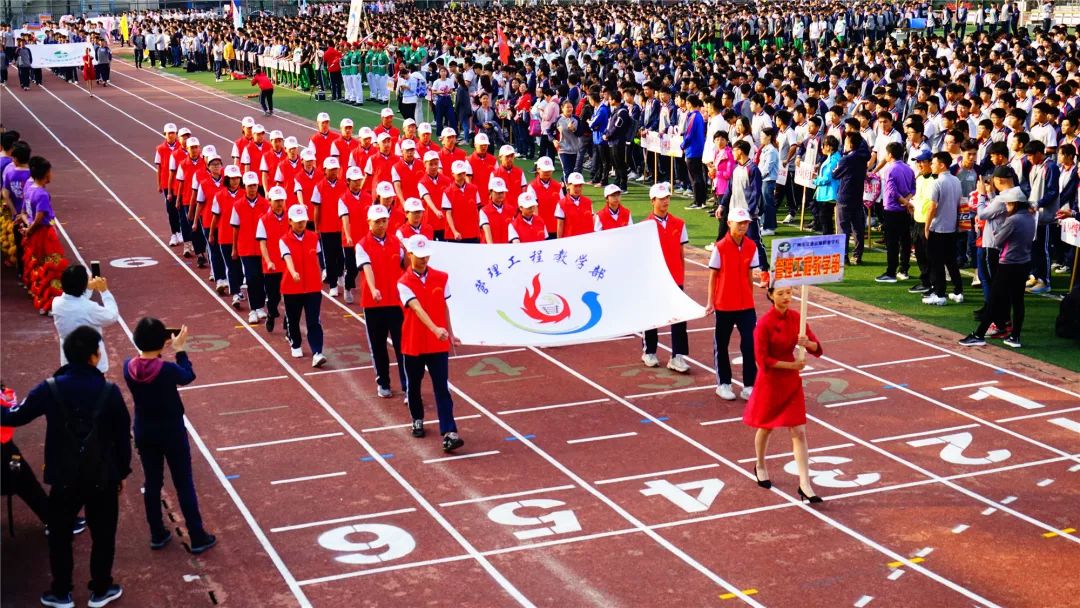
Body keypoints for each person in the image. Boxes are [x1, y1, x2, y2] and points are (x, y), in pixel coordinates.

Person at [1, 326, 130, 608]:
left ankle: (61, 591)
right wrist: (121, 472)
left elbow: (15, 416)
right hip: (102, 475)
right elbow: (123, 435)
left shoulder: (49, 389)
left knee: (59, 535)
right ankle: (101, 588)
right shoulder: (109, 391)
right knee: (103, 535)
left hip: (63, 475)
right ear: (94, 357)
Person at [123, 319, 216, 554]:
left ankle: (157, 532)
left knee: (152, 482)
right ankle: (196, 535)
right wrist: (180, 349)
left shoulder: (128, 367)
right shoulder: (166, 370)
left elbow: (145, 360)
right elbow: (188, 375)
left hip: (144, 429)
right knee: (183, 482)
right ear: (162, 343)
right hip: (171, 430)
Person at [742, 285, 824, 503]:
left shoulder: (797, 317)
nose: (786, 297)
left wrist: (808, 343)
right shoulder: (764, 325)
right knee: (766, 427)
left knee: (799, 431)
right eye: (780, 294)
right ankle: (760, 464)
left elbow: (818, 349)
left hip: (791, 383)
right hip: (770, 382)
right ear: (770, 295)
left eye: (789, 292)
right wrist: (792, 366)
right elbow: (762, 361)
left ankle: (805, 483)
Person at [398, 234, 464, 452]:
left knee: (441, 387)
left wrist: (451, 333)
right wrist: (435, 328)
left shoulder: (441, 277)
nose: (424, 259)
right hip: (414, 342)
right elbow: (416, 308)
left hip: (438, 344)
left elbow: (444, 307)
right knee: (414, 386)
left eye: (426, 255)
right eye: (419, 256)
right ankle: (417, 418)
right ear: (410, 255)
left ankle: (449, 431)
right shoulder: (404, 283)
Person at [960, 167, 1033, 348]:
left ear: (1015, 204)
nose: (1006, 207)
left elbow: (999, 239)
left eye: (1008, 204)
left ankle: (979, 334)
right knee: (1018, 301)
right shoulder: (1029, 218)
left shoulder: (1013, 220)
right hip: (1024, 262)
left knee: (994, 299)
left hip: (1008, 262)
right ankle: (1015, 336)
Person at [705, 207, 759, 401]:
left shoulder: (752, 246)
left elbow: (749, 275)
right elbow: (713, 276)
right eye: (740, 223)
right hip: (724, 305)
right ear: (729, 223)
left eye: (746, 223)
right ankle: (724, 383)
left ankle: (749, 385)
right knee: (722, 344)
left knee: (750, 344)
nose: (743, 226)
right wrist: (710, 302)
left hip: (746, 305)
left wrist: (750, 298)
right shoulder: (720, 247)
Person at [356, 204, 408, 399]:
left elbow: (406, 266)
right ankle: (383, 382)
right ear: (369, 223)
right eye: (377, 221)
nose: (381, 225)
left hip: (396, 302)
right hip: (373, 304)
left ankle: (407, 386)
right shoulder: (362, 245)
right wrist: (373, 288)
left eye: (384, 221)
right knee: (378, 346)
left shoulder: (396, 242)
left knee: (402, 346)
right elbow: (367, 268)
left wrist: (410, 252)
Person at [641, 182, 690, 373]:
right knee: (652, 316)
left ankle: (677, 356)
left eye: (667, 198)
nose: (665, 202)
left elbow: (681, 253)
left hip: (675, 278)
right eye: (661, 199)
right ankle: (649, 351)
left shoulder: (679, 224)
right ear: (652, 201)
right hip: (654, 279)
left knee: (679, 318)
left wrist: (681, 276)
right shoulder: (645, 226)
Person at [280, 205, 327, 367]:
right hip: (291, 288)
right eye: (297, 221)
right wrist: (293, 273)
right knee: (293, 319)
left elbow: (319, 257)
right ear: (290, 221)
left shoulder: (314, 237)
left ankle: (317, 351)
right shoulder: (284, 241)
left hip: (313, 287)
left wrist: (324, 271)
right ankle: (295, 343)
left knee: (313, 320)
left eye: (303, 221)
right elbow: (287, 258)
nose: (301, 224)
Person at [51, 265, 120, 374]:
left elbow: (75, 300)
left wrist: (88, 288)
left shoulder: (56, 303)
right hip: (92, 362)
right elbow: (112, 316)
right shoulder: (90, 308)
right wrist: (104, 291)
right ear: (82, 286)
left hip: (69, 360)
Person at [924, 151, 964, 305]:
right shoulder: (956, 181)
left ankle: (940, 294)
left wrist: (927, 227)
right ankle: (958, 291)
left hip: (938, 227)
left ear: (941, 165)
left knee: (936, 262)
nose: (932, 166)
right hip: (951, 227)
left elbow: (932, 207)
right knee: (951, 261)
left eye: (933, 163)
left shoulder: (937, 182)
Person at [230, 172, 270, 323]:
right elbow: (235, 228)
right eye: (249, 186)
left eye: (254, 185)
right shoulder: (238, 205)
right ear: (244, 187)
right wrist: (234, 248)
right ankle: (253, 309)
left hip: (262, 248)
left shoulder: (265, 204)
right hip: (246, 248)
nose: (252, 189)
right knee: (252, 278)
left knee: (261, 278)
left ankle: (260, 307)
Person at [876, 142, 916, 283]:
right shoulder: (909, 169)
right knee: (905, 240)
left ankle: (891, 272)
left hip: (892, 209)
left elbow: (892, 191)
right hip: (904, 210)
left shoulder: (890, 169)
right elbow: (913, 189)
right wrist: (907, 201)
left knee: (892, 242)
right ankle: (903, 269)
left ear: (890, 155)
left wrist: (903, 201)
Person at [831, 132, 871, 265]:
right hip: (858, 196)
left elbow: (835, 174)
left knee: (843, 228)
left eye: (846, 142)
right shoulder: (863, 158)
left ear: (851, 144)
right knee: (858, 228)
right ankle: (858, 255)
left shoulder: (846, 159)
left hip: (844, 196)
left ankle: (844, 256)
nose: (844, 145)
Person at [257, 187, 290, 333]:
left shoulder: (291, 219)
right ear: (269, 201)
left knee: (289, 295)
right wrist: (268, 261)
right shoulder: (263, 220)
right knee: (273, 297)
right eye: (276, 201)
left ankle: (288, 319)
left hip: (288, 265)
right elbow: (262, 244)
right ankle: (271, 314)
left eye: (281, 200)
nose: (279, 203)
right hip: (271, 266)